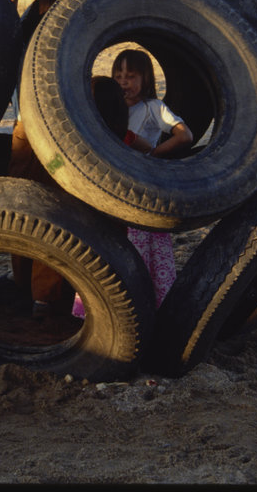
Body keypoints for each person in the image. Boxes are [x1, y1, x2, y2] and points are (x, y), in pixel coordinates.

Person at [72, 51, 194, 318]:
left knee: (143, 248)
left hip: (142, 187)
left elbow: (185, 135)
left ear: (145, 78)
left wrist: (154, 154)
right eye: (118, 76)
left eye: (130, 76)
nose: (123, 82)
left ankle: (148, 305)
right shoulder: (108, 106)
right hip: (113, 187)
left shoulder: (153, 108)